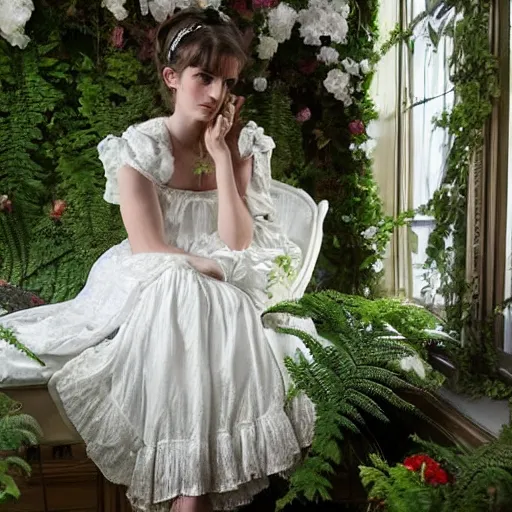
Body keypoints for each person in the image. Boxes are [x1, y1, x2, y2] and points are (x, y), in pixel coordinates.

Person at [0, 7, 316, 512]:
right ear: (172, 77)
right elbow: (147, 244)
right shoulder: (140, 147)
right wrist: (198, 265)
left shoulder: (242, 143)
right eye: (203, 77)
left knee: (214, 298)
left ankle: (190, 492)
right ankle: (190, 493)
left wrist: (220, 158)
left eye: (227, 83)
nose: (216, 94)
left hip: (227, 270)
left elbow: (237, 242)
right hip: (152, 270)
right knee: (185, 286)